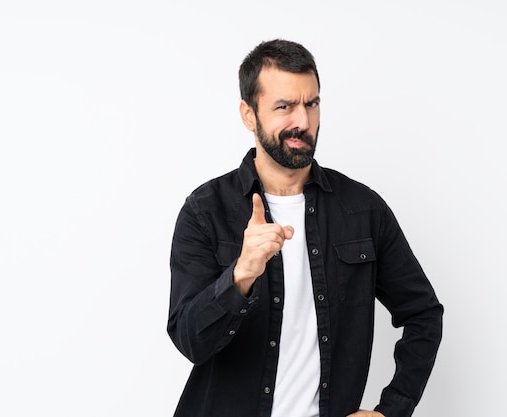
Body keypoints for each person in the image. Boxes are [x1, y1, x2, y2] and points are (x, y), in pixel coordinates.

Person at [167, 39, 443, 417]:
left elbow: (423, 313)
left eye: (311, 104)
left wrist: (390, 411)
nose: (302, 121)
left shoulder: (362, 210)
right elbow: (190, 342)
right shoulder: (205, 211)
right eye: (284, 107)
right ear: (249, 115)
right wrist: (241, 275)